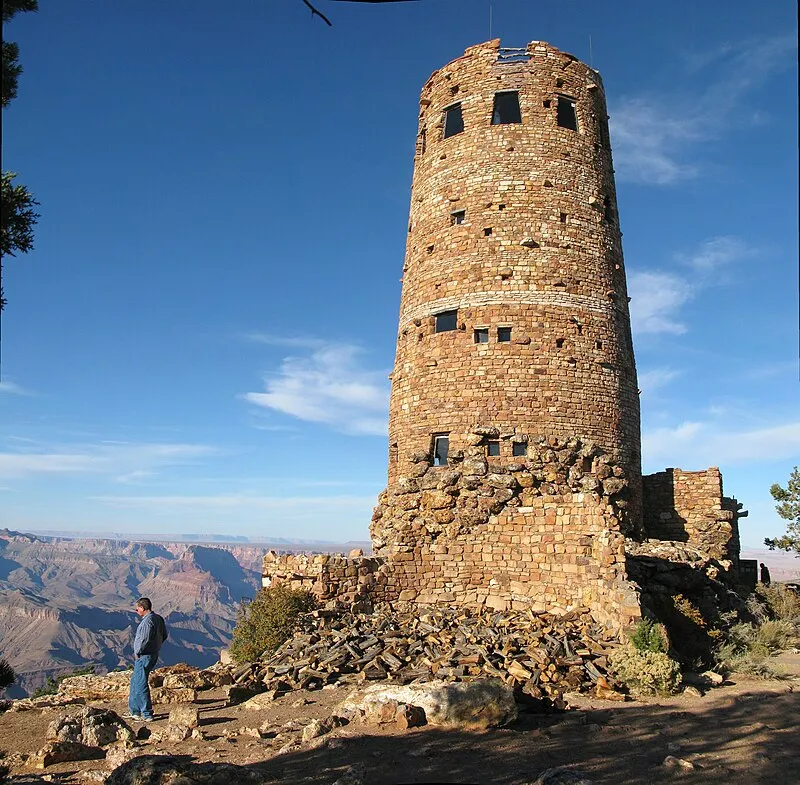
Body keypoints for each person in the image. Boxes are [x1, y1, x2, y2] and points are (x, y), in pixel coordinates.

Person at [125, 597, 168, 722]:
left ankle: (146, 713)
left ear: (143, 608)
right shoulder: (158, 619)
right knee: (135, 682)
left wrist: (138, 652)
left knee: (140, 684)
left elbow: (143, 640)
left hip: (144, 656)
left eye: (137, 608)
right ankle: (134, 711)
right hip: (153, 654)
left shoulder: (147, 622)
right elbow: (164, 635)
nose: (136, 611)